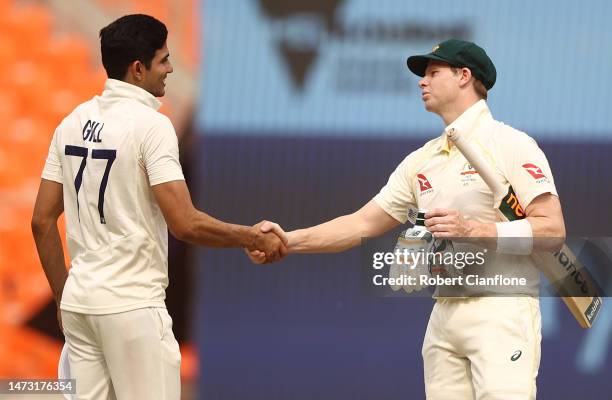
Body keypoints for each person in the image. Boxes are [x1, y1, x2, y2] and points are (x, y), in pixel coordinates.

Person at [249, 39, 565, 399]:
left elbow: (552, 230)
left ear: (464, 76)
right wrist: (289, 241)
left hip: (503, 308)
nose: (421, 82)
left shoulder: (512, 144)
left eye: (433, 72)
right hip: (444, 314)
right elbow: (360, 224)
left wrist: (474, 229)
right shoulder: (422, 160)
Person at [31, 14, 286, 400]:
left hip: (81, 305)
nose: (170, 68)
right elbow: (185, 223)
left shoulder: (71, 122)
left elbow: (41, 220)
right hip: (132, 307)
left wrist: (64, 297)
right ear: (138, 69)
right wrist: (250, 236)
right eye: (163, 60)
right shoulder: (152, 126)